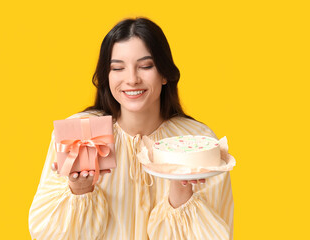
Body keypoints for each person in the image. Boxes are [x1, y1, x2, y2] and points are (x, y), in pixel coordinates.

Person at [29, 17, 234, 240]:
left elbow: (217, 233)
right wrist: (79, 190)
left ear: (164, 73)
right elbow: (46, 233)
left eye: (145, 66)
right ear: (107, 77)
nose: (132, 79)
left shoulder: (199, 141)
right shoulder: (78, 133)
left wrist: (181, 192)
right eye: (117, 68)